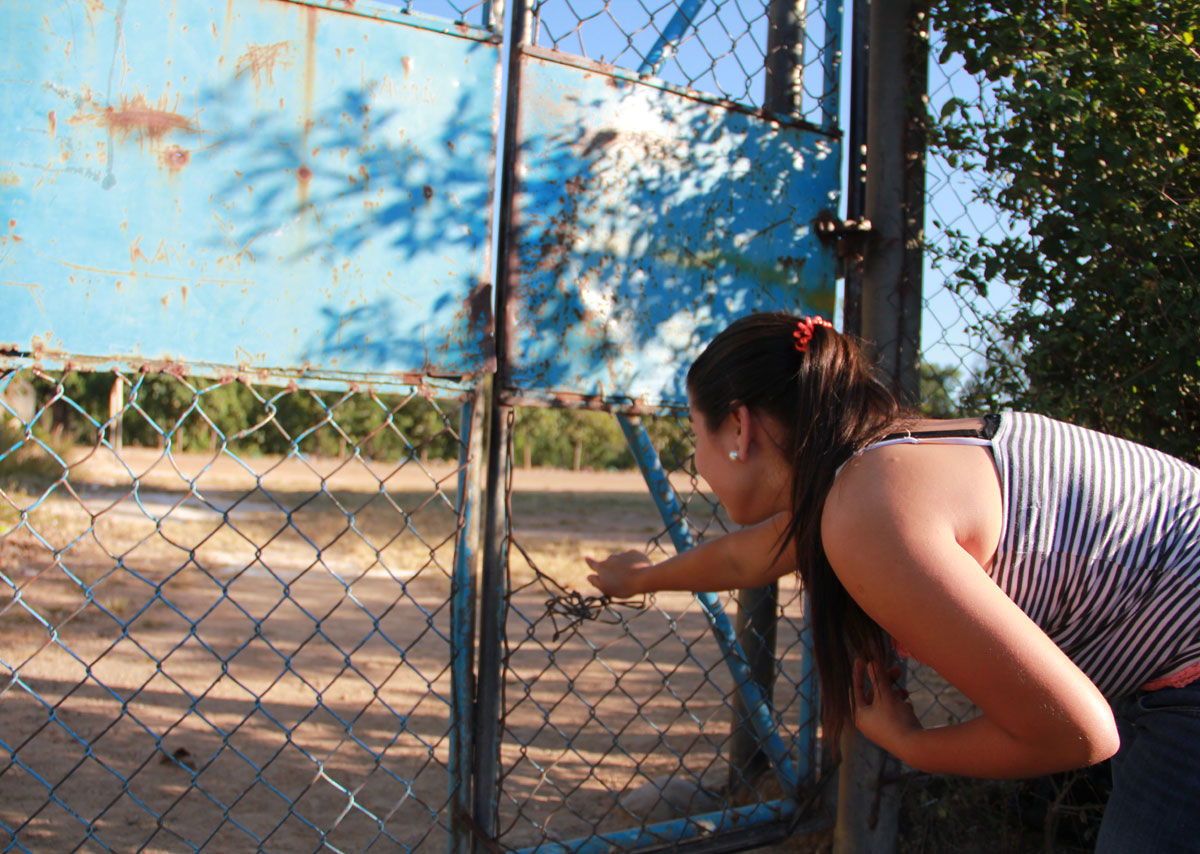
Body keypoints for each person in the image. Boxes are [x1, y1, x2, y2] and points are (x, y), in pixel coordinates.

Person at [585, 312, 1200, 851]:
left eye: (697, 435)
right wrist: (643, 577)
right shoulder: (881, 463)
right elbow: (751, 559)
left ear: (740, 428)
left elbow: (1079, 733)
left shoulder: (866, 513)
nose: (698, 458)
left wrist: (912, 746)